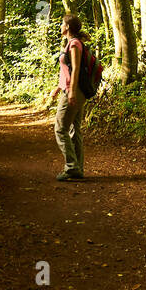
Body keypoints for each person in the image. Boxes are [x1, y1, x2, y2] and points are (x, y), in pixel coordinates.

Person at [49, 12, 87, 181]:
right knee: (73, 129)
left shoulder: (74, 44)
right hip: (71, 90)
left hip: (74, 91)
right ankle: (78, 168)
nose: (60, 26)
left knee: (60, 128)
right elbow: (67, 70)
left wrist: (71, 91)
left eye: (62, 24)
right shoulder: (69, 43)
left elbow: (76, 69)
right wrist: (58, 87)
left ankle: (71, 167)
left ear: (68, 27)